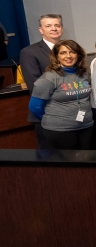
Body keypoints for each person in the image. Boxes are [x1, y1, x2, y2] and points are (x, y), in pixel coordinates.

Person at [28, 39, 93, 150]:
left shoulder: (84, 73)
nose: (68, 56)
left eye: (72, 52)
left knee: (86, 163)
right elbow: (35, 106)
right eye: (63, 53)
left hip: (86, 126)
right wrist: (56, 118)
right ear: (57, 56)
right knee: (69, 165)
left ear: (78, 55)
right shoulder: (49, 78)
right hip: (60, 129)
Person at [20, 14, 63, 149]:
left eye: (57, 25)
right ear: (41, 30)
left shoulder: (69, 50)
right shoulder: (29, 52)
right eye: (48, 26)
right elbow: (35, 85)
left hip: (70, 114)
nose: (54, 29)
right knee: (51, 157)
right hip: (47, 113)